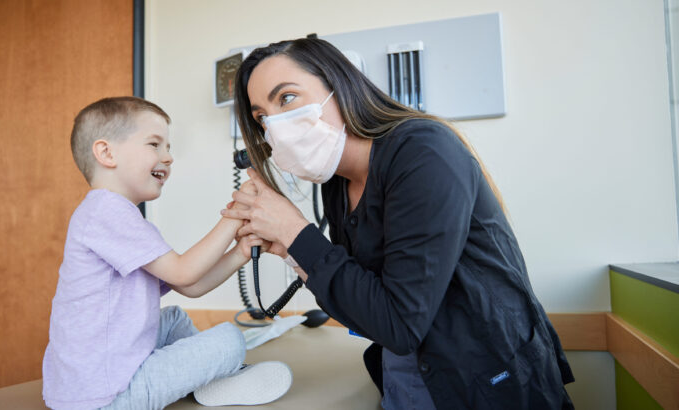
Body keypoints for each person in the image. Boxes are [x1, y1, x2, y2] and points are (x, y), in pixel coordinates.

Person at [221, 38, 575, 409]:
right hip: (408, 378)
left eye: (287, 98)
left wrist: (296, 231)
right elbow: (368, 307)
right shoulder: (338, 183)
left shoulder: (423, 152)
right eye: (262, 117)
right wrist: (297, 255)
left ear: (339, 86)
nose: (275, 126)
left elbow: (400, 324)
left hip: (485, 382)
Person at [42, 96, 291, 410]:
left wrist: (241, 251)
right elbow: (184, 272)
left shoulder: (115, 216)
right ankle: (217, 376)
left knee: (172, 319)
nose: (168, 157)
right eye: (154, 144)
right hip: (105, 396)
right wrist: (235, 217)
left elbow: (190, 286)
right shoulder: (106, 211)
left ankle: (211, 378)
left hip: (89, 381)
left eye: (168, 147)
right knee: (230, 339)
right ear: (107, 153)